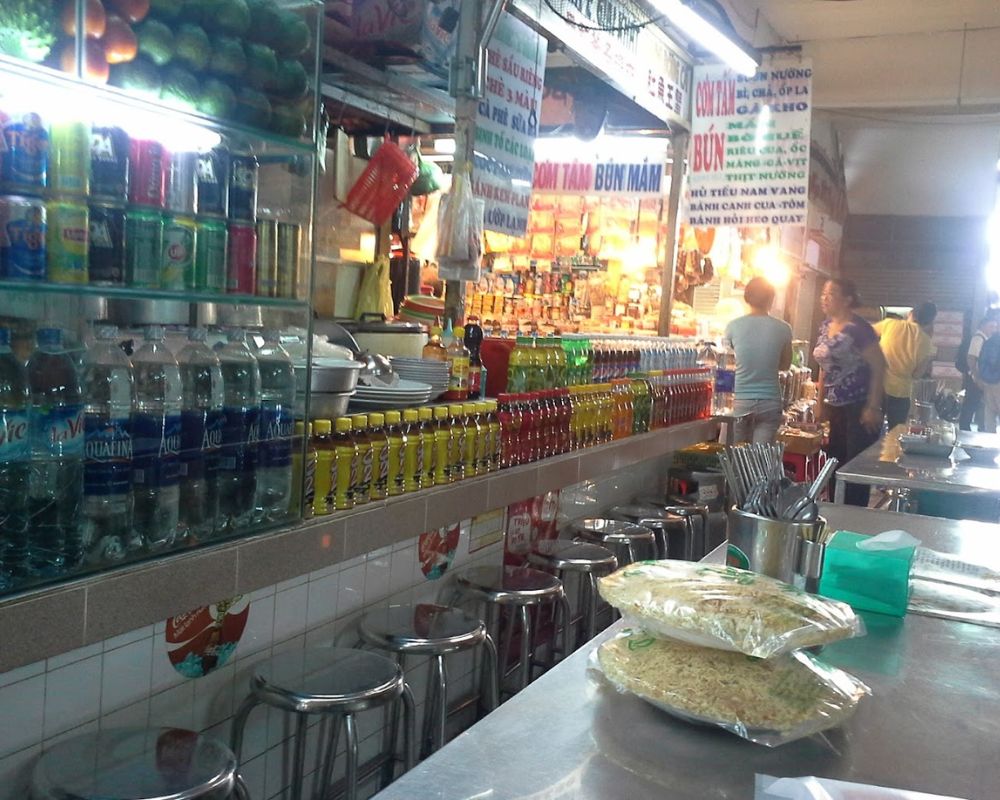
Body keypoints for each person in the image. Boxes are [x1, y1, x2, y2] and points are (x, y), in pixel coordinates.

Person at [813, 278, 886, 506]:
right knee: (835, 462)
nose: (825, 298)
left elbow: (879, 366)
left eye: (831, 293)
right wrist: (819, 401)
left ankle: (854, 517)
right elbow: (825, 367)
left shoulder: (860, 329)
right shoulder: (825, 326)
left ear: (847, 299)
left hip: (859, 405)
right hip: (835, 406)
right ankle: (836, 513)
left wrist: (873, 406)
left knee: (854, 467)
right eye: (824, 293)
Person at [725, 277, 793, 443]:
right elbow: (785, 365)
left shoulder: (733, 326)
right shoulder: (784, 328)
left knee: (736, 456)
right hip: (770, 401)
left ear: (746, 297)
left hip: (741, 400)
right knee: (759, 460)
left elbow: (728, 364)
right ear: (771, 299)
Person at [873, 301, 938, 430]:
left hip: (878, 388)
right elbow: (917, 374)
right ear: (930, 321)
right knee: (894, 434)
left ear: (910, 313)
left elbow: (866, 334)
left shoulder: (889, 324)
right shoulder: (927, 342)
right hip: (901, 393)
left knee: (872, 433)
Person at [958, 310, 1000, 431]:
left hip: (985, 379)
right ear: (982, 326)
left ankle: (983, 432)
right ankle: (966, 431)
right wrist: (977, 378)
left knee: (983, 409)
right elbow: (971, 358)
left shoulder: (987, 340)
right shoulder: (979, 338)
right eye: (991, 326)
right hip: (979, 380)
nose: (993, 329)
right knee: (972, 406)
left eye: (995, 326)